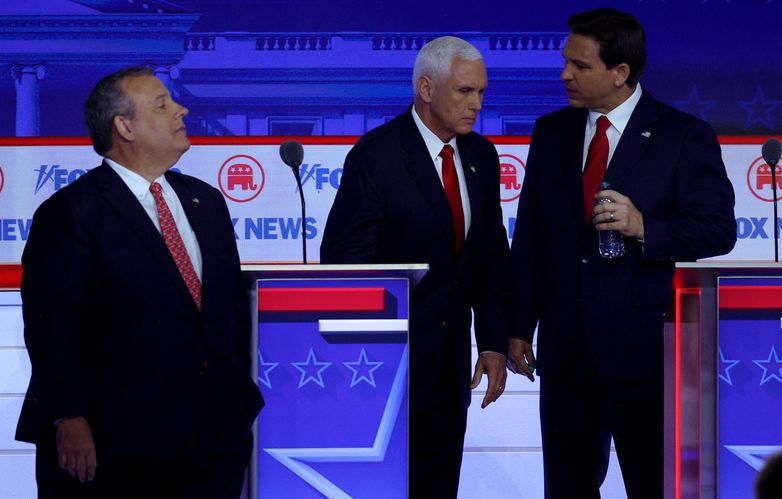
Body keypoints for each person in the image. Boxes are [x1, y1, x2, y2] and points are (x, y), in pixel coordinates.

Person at [507, 8, 736, 498]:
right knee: (567, 487)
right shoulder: (552, 132)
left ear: (620, 73)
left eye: (580, 66)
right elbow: (531, 238)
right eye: (566, 62)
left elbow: (717, 231)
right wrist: (518, 325)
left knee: (653, 484)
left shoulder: (683, 136)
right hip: (566, 352)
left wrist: (644, 226)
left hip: (644, 353)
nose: (565, 74)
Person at [16, 66, 264, 499]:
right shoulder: (72, 212)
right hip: (115, 446)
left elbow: (228, 313)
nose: (181, 109)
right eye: (162, 104)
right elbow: (50, 325)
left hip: (209, 441)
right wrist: (67, 417)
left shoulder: (205, 201)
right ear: (124, 126)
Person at [320, 36, 511, 497]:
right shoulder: (377, 156)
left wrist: (492, 342)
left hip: (451, 368)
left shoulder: (481, 157)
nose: (477, 104)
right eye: (465, 92)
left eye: (482, 93)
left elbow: (489, 257)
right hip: (386, 368)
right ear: (426, 89)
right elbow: (345, 262)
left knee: (439, 484)